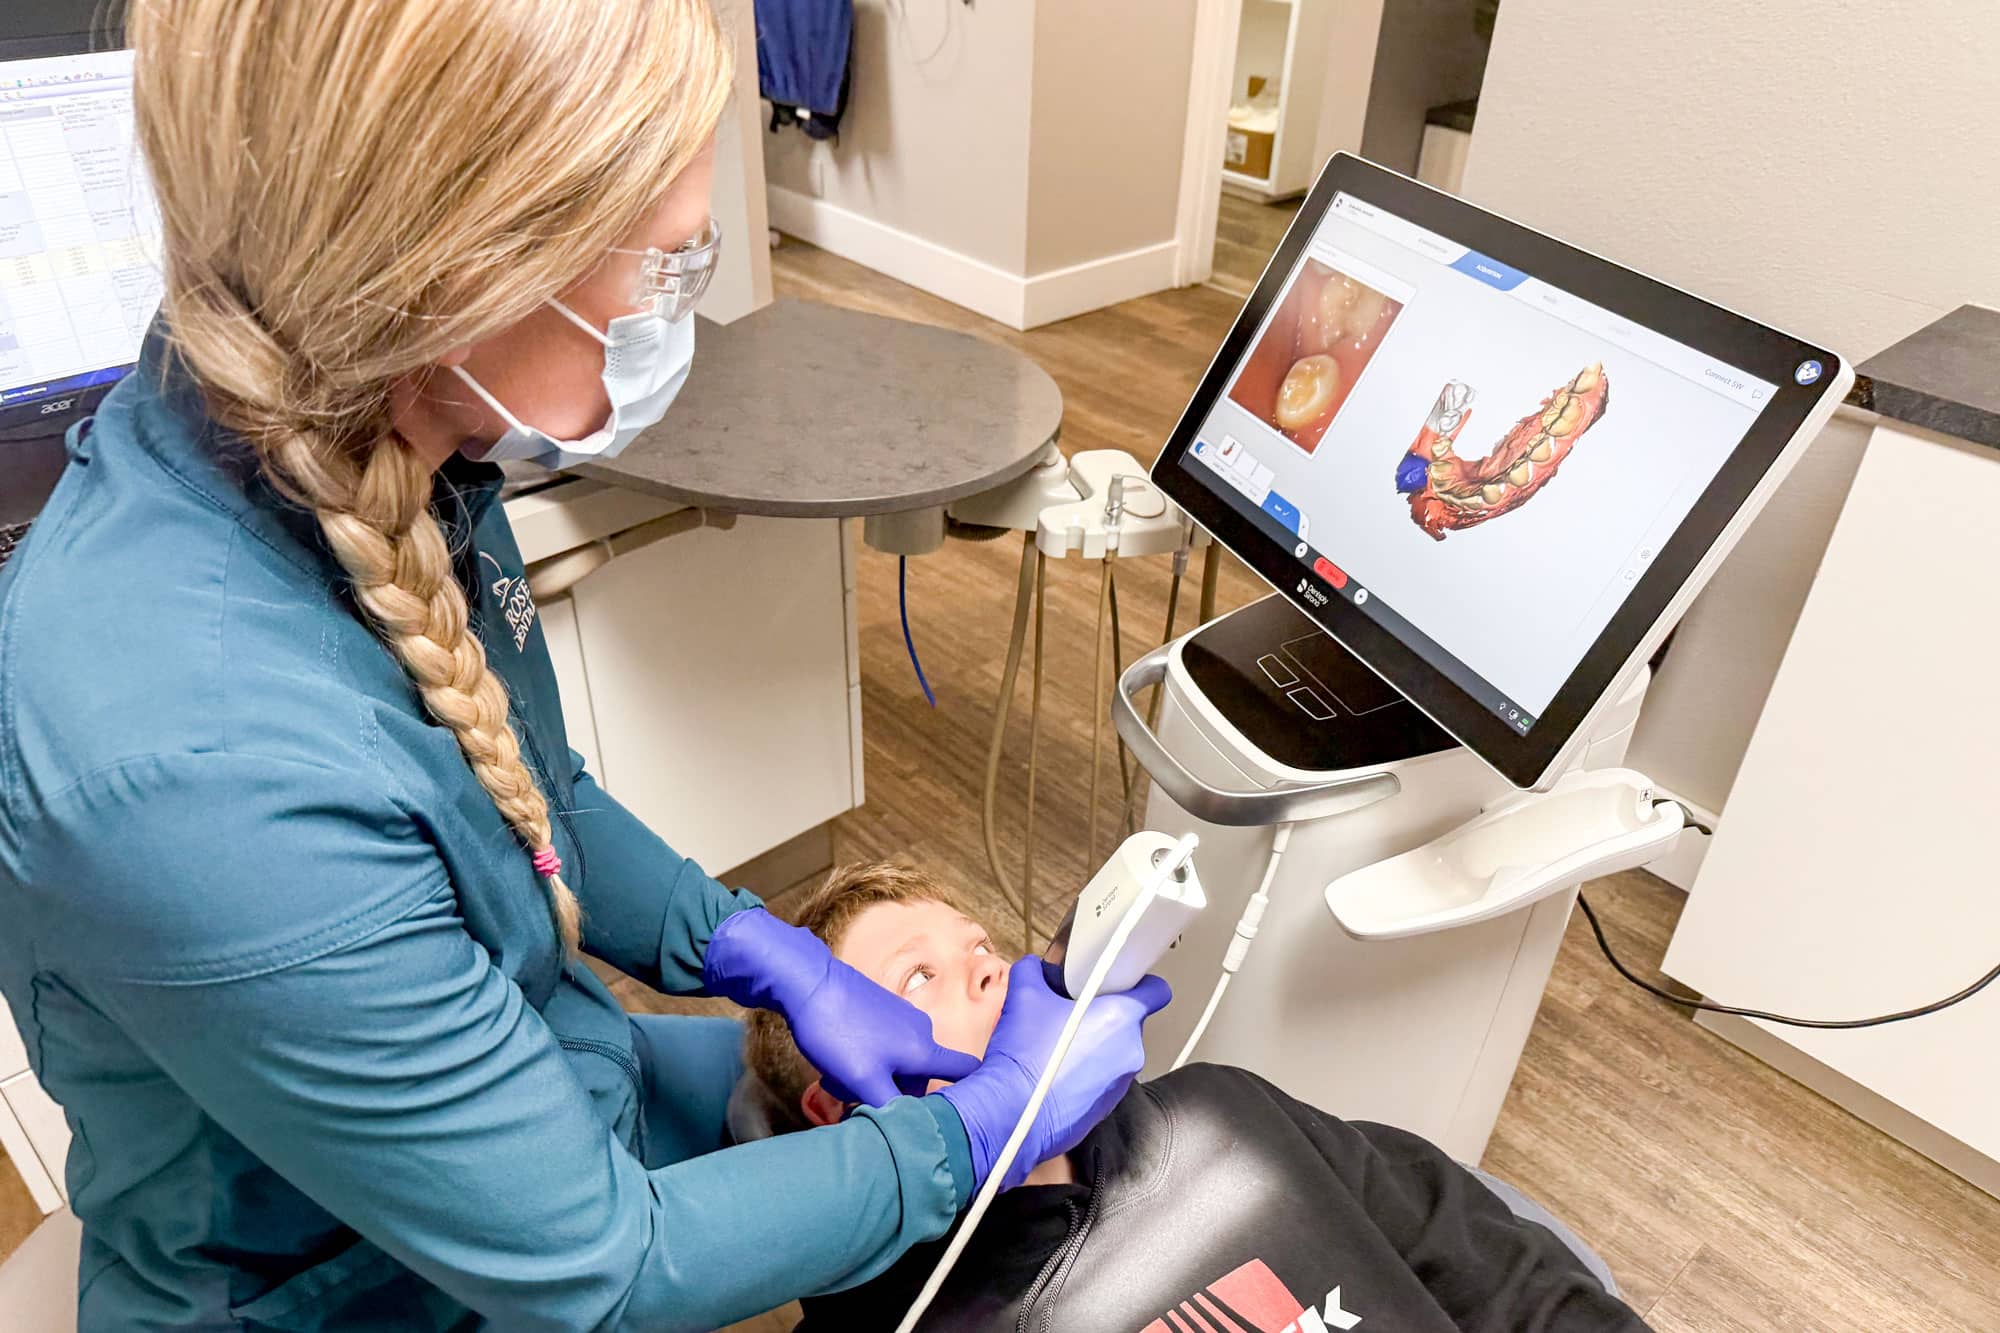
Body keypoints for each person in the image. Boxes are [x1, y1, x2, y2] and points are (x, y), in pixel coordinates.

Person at [0, 3, 1167, 1328]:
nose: (686, 306)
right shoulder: (189, 778)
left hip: (551, 1086)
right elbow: (603, 1267)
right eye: (665, 270)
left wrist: (752, 948)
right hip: (349, 1285)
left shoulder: (399, 427)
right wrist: (973, 1139)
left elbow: (526, 793)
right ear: (455, 272)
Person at [737, 863, 1655, 1333]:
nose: (984, 969)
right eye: (919, 977)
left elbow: (1502, 1273)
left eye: (979, 944)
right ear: (834, 1103)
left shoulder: (1222, 1116)